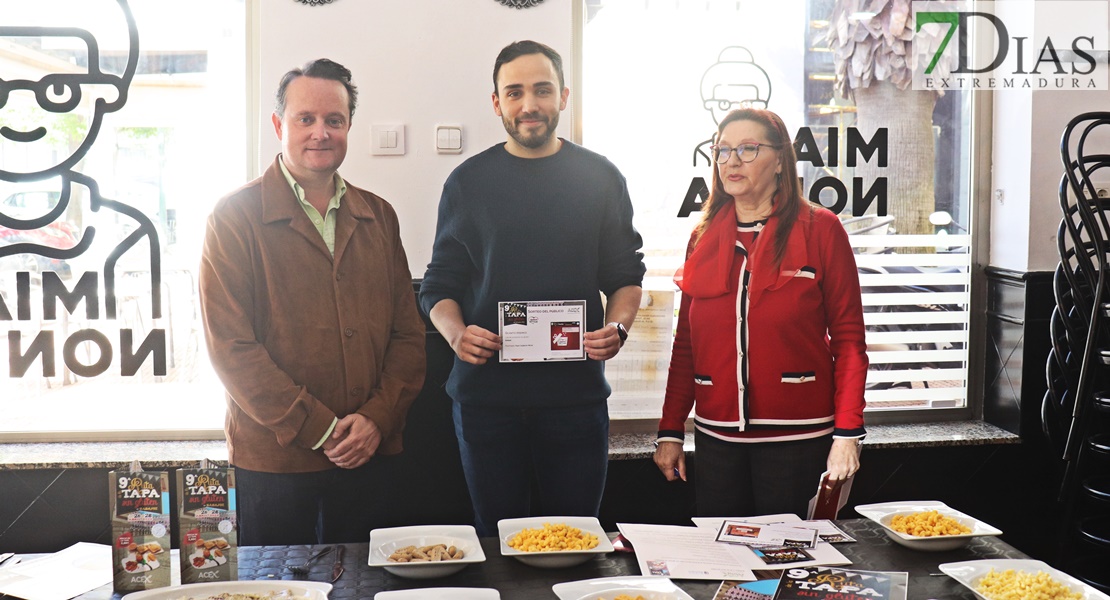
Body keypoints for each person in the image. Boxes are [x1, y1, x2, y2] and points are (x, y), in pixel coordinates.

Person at [419, 40, 646, 536]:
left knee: (577, 536)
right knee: (498, 540)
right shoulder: (467, 182)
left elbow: (626, 277)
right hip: (486, 401)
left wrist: (618, 328)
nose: (530, 105)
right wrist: (457, 335)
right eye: (515, 92)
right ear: (496, 102)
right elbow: (437, 286)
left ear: (563, 96)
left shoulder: (601, 178)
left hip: (575, 399)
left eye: (542, 90)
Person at [199, 58, 426, 545]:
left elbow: (408, 337)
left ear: (348, 128)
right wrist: (322, 429)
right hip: (274, 466)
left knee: (369, 590)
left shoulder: (379, 216)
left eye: (334, 120)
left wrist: (376, 420)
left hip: (371, 456)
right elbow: (231, 349)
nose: (320, 133)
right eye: (306, 119)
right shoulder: (233, 218)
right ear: (280, 125)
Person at [653, 108, 867, 519]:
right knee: (725, 568)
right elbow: (687, 344)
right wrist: (670, 429)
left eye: (748, 149)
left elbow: (849, 342)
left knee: (792, 569)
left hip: (800, 440)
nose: (732, 161)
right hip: (718, 440)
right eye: (723, 150)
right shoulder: (701, 237)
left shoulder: (821, 229)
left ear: (781, 160)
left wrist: (847, 434)